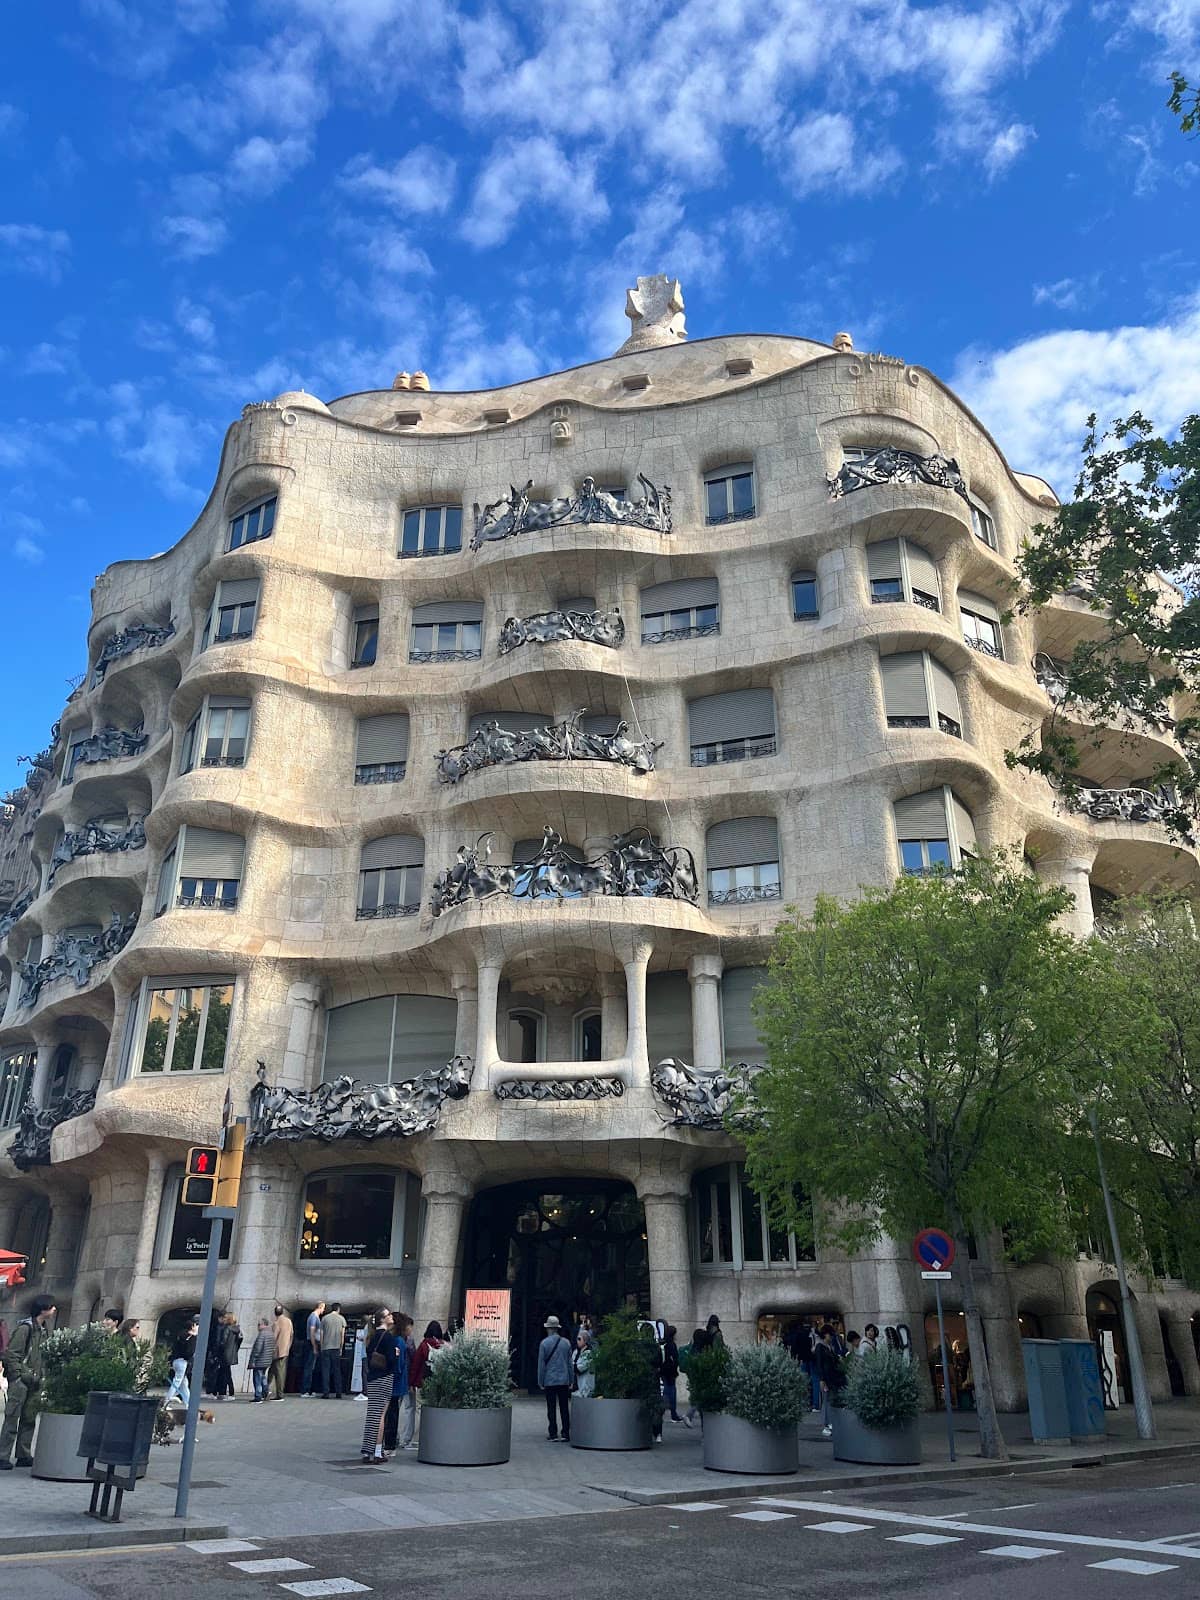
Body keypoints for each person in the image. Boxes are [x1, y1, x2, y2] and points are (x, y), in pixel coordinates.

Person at [0, 1294, 56, 1469]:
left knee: (29, 1418)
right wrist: (18, 1375)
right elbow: (12, 1354)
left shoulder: (45, 1329)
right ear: (43, 1308)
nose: (54, 1310)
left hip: (35, 1380)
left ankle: (23, 1454)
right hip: (21, 1380)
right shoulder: (26, 1328)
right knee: (12, 1418)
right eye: (51, 1307)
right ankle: (2, 1456)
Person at [360, 1310, 396, 1464]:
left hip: (373, 1378)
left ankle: (368, 1451)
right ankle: (377, 1451)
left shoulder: (372, 1337)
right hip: (384, 1378)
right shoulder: (388, 1337)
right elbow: (392, 1360)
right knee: (381, 1415)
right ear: (383, 1319)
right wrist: (396, 1354)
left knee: (372, 1414)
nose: (392, 1317)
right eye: (389, 1315)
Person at [537, 1315, 572, 1442]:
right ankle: (566, 1433)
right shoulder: (566, 1343)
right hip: (563, 1380)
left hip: (550, 1380)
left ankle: (553, 1433)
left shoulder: (544, 1344)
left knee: (551, 1407)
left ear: (548, 1329)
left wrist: (540, 1381)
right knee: (564, 1407)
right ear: (557, 1328)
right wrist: (571, 1380)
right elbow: (569, 1364)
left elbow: (541, 1365)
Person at [409, 1319, 444, 1444]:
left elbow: (416, 1365)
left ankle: (418, 1439)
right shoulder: (443, 1345)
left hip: (422, 1382)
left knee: (420, 1410)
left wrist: (412, 1382)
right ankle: (434, 1437)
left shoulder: (424, 1345)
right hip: (438, 1383)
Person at [382, 1313, 413, 1451]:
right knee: (392, 1413)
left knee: (389, 1412)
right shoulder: (400, 1341)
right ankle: (389, 1443)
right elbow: (399, 1365)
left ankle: (385, 1441)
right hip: (395, 1381)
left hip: (388, 1380)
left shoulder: (390, 1339)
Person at [814, 1324, 847, 1437]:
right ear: (825, 1334)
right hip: (826, 1378)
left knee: (831, 1400)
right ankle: (826, 1424)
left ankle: (830, 1423)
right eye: (830, 1335)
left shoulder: (829, 1347)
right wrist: (821, 1379)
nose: (831, 1337)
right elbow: (819, 1364)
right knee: (827, 1401)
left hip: (832, 1378)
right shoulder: (820, 1347)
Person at [166, 1317, 198, 1408]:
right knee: (177, 1381)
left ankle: (188, 1403)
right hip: (183, 1361)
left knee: (184, 1383)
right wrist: (194, 1337)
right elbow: (190, 1351)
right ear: (192, 1327)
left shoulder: (180, 1335)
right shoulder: (190, 1337)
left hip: (176, 1360)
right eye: (195, 1325)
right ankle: (167, 1401)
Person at [681, 1325, 711, 1427]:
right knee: (699, 1398)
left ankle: (689, 1415)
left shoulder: (693, 1348)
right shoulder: (701, 1350)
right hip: (699, 1377)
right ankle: (688, 1415)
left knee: (697, 1396)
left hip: (693, 1375)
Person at [319, 1301, 347, 1398]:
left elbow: (321, 1334)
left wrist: (321, 1346)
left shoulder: (324, 1318)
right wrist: (341, 1348)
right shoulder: (342, 1319)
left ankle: (326, 1392)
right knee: (337, 1370)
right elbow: (342, 1335)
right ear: (338, 1309)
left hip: (326, 1347)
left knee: (325, 1370)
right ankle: (338, 1392)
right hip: (336, 1348)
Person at [661, 1324, 686, 1424]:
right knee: (671, 1393)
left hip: (664, 1371)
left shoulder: (663, 1344)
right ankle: (672, 1414)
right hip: (670, 1372)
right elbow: (675, 1358)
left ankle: (664, 1412)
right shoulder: (671, 1345)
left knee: (667, 1393)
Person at [215, 1312, 242, 1399]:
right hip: (232, 1354)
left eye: (226, 1318)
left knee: (224, 1373)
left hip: (224, 1354)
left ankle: (223, 1392)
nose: (224, 1319)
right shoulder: (237, 1330)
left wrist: (218, 1350)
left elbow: (223, 1342)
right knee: (227, 1373)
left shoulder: (227, 1329)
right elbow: (239, 1341)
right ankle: (231, 1391)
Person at [301, 1301, 325, 1395]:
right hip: (311, 1343)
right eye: (323, 1308)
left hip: (312, 1343)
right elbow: (312, 1332)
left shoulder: (314, 1317)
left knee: (311, 1367)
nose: (324, 1310)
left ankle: (309, 1389)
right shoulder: (314, 1317)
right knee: (309, 1367)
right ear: (320, 1307)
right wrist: (314, 1346)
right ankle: (305, 1390)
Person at [270, 1304, 293, 1400]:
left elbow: (273, 1338)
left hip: (277, 1351)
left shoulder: (276, 1323)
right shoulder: (289, 1321)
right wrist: (288, 1346)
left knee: (277, 1373)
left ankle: (279, 1394)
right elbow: (292, 1335)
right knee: (278, 1372)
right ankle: (267, 1391)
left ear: (275, 1313)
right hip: (285, 1350)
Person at [248, 1318, 274, 1402]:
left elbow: (257, 1349)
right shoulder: (271, 1334)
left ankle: (258, 1396)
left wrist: (253, 1360)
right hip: (267, 1360)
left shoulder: (262, 1334)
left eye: (259, 1325)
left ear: (263, 1325)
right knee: (263, 1377)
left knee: (257, 1379)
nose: (258, 1327)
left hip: (260, 1360)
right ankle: (266, 1392)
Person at [572, 1328, 596, 1399]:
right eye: (577, 1339)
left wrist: (572, 1366)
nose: (577, 1341)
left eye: (579, 1339)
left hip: (586, 1386)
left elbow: (579, 1368)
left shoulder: (589, 1353)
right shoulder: (576, 1352)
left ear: (585, 1340)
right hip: (578, 1385)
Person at [350, 1322, 367, 1398]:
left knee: (364, 1373)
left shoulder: (367, 1327)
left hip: (365, 1353)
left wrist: (359, 1338)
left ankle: (365, 1391)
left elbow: (365, 1338)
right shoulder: (371, 1327)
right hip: (367, 1353)